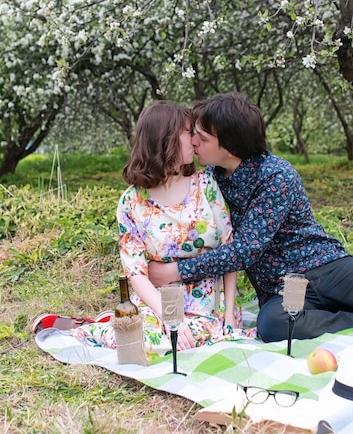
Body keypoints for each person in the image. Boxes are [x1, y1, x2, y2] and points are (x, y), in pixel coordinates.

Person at [149, 92, 353, 343]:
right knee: (273, 325)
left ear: (229, 147)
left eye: (203, 138)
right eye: (195, 134)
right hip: (278, 288)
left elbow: (246, 250)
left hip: (323, 267)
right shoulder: (211, 180)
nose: (195, 141)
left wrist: (176, 272)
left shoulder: (276, 176)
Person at [46, 101, 243, 355]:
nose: (194, 140)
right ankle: (96, 326)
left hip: (206, 305)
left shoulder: (206, 184)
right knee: (138, 342)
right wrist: (171, 317)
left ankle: (114, 322)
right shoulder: (132, 201)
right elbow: (135, 272)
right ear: (167, 139)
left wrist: (229, 313)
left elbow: (230, 250)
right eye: (188, 132)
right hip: (157, 303)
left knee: (192, 342)